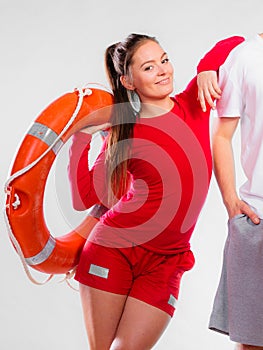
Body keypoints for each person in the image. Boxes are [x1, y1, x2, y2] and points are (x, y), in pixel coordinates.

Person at [68, 33, 244, 349]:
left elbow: (234, 40)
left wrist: (206, 68)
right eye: (149, 67)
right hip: (114, 249)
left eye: (164, 60)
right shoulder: (124, 131)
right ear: (129, 81)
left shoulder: (196, 101)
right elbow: (83, 197)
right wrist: (81, 138)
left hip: (168, 261)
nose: (163, 71)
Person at [208, 33, 263, 350]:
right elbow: (222, 135)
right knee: (252, 342)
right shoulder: (243, 58)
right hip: (258, 218)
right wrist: (231, 201)